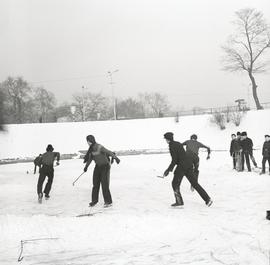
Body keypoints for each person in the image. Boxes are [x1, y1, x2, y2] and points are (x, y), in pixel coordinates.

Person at [163, 132, 212, 207]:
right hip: (189, 164)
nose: (165, 140)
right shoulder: (178, 143)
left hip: (182, 166)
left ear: (167, 139)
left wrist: (168, 170)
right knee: (195, 183)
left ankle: (179, 202)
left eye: (165, 139)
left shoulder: (171, 146)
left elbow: (174, 159)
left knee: (175, 183)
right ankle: (208, 199)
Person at [83, 135, 120, 208]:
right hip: (98, 167)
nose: (88, 142)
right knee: (95, 184)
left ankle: (108, 202)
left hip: (105, 167)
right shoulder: (91, 149)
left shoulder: (99, 147)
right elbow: (90, 158)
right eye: (87, 141)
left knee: (104, 184)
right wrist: (86, 166)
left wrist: (116, 158)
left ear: (91, 140)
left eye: (88, 141)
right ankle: (94, 201)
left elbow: (108, 152)